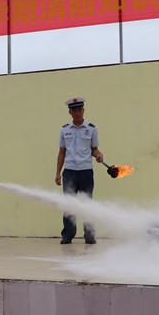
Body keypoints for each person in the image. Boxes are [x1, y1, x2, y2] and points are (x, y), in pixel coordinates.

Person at [55, 96, 104, 244]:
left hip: (85, 171)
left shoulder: (91, 129)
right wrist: (58, 173)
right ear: (70, 112)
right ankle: (68, 234)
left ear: (83, 110)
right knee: (69, 204)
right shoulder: (64, 130)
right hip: (69, 171)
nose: (77, 113)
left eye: (79, 110)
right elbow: (62, 152)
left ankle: (89, 234)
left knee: (87, 203)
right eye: (74, 110)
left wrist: (99, 155)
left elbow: (94, 149)